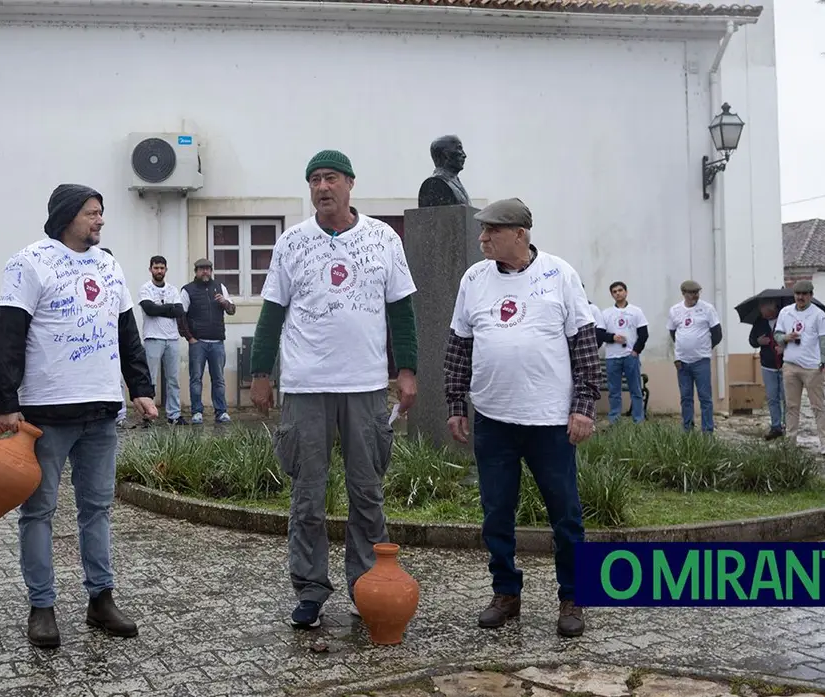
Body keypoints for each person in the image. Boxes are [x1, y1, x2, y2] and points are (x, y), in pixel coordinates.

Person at [250, 150, 418, 628]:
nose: (323, 187)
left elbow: (401, 312)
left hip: (365, 385)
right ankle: (309, 589)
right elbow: (271, 314)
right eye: (315, 180)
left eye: (331, 178)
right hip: (305, 386)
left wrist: (407, 370)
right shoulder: (291, 243)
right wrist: (261, 374)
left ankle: (366, 585)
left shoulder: (383, 239)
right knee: (307, 495)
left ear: (350, 184)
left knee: (367, 493)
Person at [0, 183, 157, 648]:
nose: (100, 220)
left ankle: (100, 599)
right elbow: (8, 333)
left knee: (97, 510)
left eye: (101, 212)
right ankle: (42, 606)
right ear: (68, 216)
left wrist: (141, 388)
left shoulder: (109, 264)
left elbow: (127, 331)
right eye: (92, 212)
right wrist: (5, 403)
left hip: (102, 410)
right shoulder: (29, 262)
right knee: (38, 511)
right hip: (46, 413)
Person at [443, 197, 598, 638]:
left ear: (521, 235)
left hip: (549, 421)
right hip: (493, 419)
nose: (483, 237)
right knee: (496, 513)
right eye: (483, 229)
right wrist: (456, 404)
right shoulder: (474, 278)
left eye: (492, 230)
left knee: (565, 514)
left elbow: (585, 347)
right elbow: (459, 347)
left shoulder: (559, 274)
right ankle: (506, 592)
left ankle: (573, 596)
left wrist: (583, 408)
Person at [774, 279, 825, 455]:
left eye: (804, 294)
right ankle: (790, 441)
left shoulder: (818, 315)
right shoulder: (785, 313)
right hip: (790, 365)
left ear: (810, 296)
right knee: (791, 406)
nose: (800, 297)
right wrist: (786, 338)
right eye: (798, 294)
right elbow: (777, 335)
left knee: (818, 406)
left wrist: (823, 360)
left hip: (811, 367)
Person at [180, 259, 234, 424]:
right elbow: (181, 316)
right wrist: (190, 338)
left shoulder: (220, 287)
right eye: (202, 269)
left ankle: (221, 412)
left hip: (217, 342)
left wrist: (224, 302)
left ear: (211, 271)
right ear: (195, 271)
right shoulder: (187, 290)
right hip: (198, 343)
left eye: (208, 269)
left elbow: (232, 310)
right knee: (196, 378)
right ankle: (197, 412)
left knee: (218, 379)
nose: (205, 272)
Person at [666, 280, 721, 433]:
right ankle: (687, 429)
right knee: (686, 397)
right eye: (691, 293)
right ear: (683, 293)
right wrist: (678, 354)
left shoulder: (707, 309)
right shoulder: (675, 310)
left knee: (705, 397)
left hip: (701, 360)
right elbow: (672, 334)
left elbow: (717, 334)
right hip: (682, 362)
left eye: (697, 292)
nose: (695, 296)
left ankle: (707, 430)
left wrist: (704, 348)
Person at [138, 255, 186, 426]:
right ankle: (147, 415)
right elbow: (149, 309)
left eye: (162, 268)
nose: (159, 271)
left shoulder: (173, 290)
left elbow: (179, 311)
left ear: (166, 269)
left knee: (173, 379)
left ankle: (174, 414)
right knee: (150, 378)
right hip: (153, 338)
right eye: (156, 267)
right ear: (150, 269)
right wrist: (167, 309)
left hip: (172, 338)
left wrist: (160, 309)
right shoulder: (145, 289)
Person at [602, 281, 648, 424]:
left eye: (620, 290)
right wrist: (612, 337)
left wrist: (635, 351)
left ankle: (638, 420)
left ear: (626, 292)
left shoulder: (636, 311)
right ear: (612, 295)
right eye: (614, 291)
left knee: (636, 390)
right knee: (614, 392)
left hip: (630, 356)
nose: (618, 293)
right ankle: (614, 420)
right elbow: (600, 334)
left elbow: (644, 334)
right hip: (612, 357)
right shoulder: (606, 313)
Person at [748, 299, 785, 440]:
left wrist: (784, 348)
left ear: (772, 308)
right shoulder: (760, 322)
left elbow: (795, 338)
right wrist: (759, 342)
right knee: (772, 397)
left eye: (763, 309)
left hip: (785, 364)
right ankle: (776, 426)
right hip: (767, 365)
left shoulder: (785, 318)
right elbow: (751, 340)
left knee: (786, 397)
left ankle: (787, 425)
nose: (761, 312)